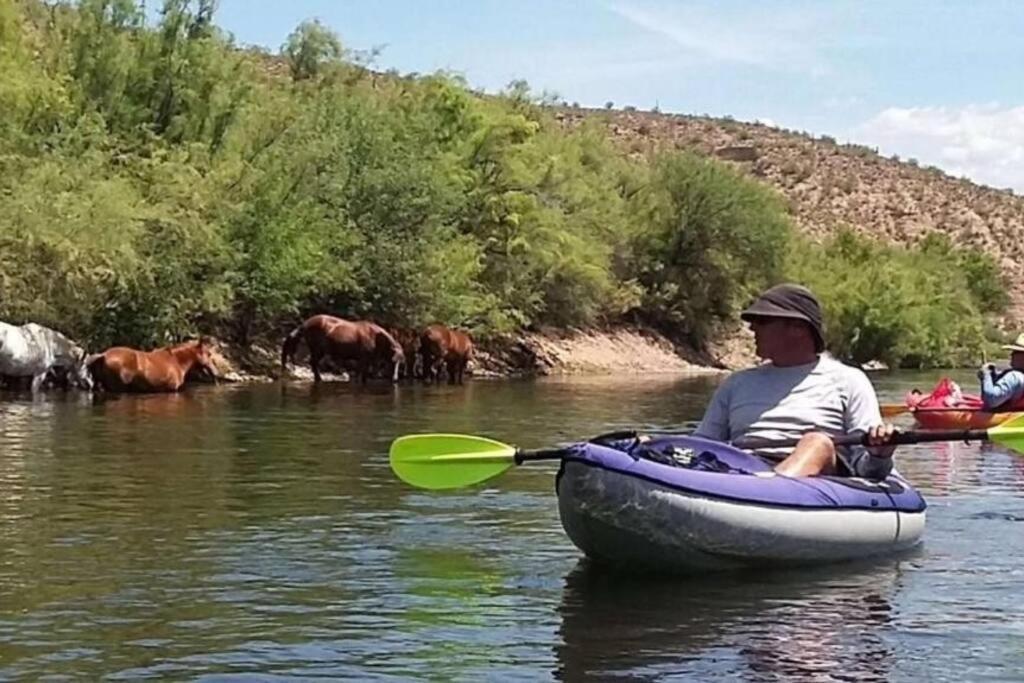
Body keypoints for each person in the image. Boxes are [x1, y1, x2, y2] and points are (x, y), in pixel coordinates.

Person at [694, 283, 896, 478]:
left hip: (817, 482)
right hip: (743, 471)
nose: (752, 328)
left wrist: (880, 455)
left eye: (763, 321)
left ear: (798, 328)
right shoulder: (736, 383)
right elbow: (700, 446)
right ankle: (756, 492)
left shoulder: (849, 380)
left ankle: (768, 492)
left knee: (817, 442)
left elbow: (867, 469)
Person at [978, 333, 1024, 411]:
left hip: (1003, 417)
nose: (1011, 355)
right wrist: (993, 375)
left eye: (1015, 352)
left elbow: (992, 400)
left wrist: (985, 375)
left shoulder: (1014, 377)